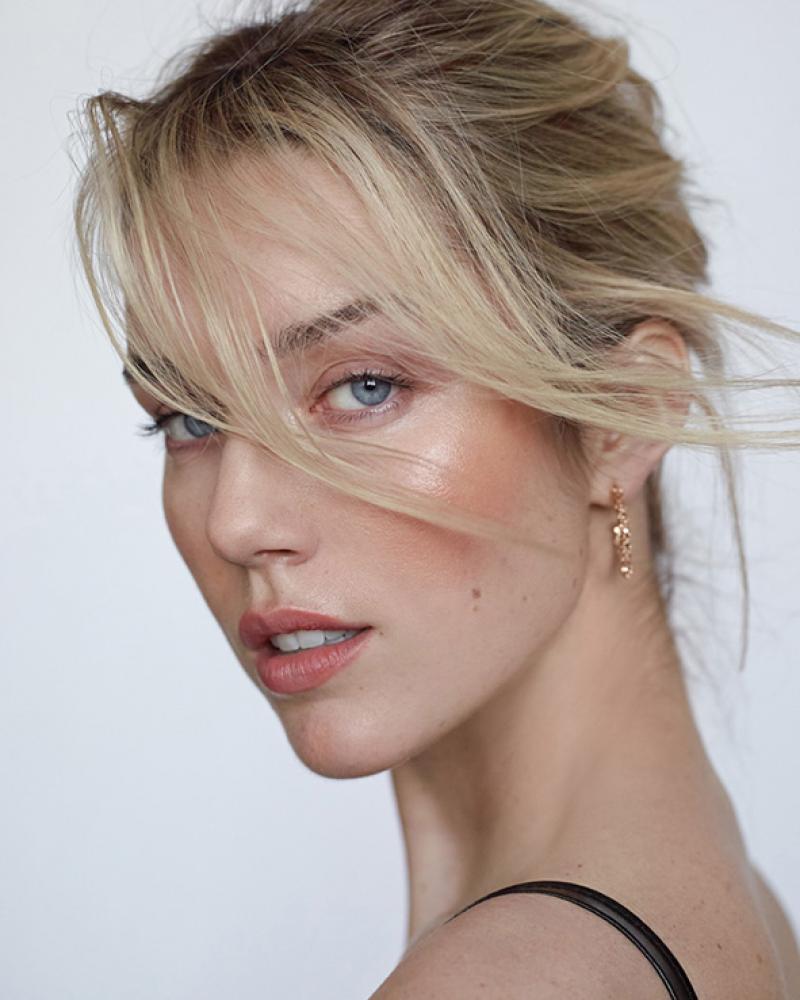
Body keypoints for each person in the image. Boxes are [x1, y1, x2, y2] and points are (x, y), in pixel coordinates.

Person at [72, 0, 800, 995]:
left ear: (623, 418)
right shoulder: (724, 912)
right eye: (190, 418)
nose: (235, 522)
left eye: (364, 387)